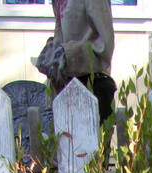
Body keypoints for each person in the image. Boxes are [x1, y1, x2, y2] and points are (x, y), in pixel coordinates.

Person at [36, 0, 116, 129]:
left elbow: (105, 47)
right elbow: (62, 35)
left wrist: (69, 54)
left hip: (93, 87)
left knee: (91, 147)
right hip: (65, 87)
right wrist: (53, 55)